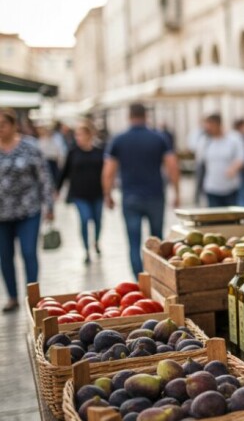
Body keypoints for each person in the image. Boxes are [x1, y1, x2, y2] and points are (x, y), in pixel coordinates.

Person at [103, 103, 180, 277]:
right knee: (157, 240)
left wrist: (107, 194)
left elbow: (108, 171)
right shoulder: (159, 138)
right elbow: (172, 166)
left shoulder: (119, 139)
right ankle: (158, 276)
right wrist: (177, 192)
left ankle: (140, 279)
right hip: (155, 195)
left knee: (133, 241)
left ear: (129, 116)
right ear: (146, 116)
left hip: (130, 197)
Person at [0, 108, 54, 312]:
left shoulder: (29, 147)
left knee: (29, 252)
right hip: (1, 214)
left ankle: (33, 296)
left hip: (28, 210)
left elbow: (44, 177)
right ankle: (12, 297)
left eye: (3, 125)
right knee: (4, 256)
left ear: (14, 125)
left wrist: (49, 205)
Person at [57, 121, 105, 263]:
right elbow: (64, 172)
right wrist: (57, 189)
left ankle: (96, 241)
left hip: (97, 192)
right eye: (77, 135)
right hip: (79, 194)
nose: (78, 138)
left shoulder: (99, 151)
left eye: (81, 135)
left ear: (89, 135)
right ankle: (86, 250)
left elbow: (106, 170)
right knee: (84, 219)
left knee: (97, 221)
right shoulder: (73, 152)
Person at [197, 113, 244, 207]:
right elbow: (201, 161)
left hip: (231, 186)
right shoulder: (204, 141)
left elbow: (242, 156)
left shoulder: (234, 139)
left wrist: (234, 168)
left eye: (211, 126)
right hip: (212, 187)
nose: (208, 129)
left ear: (218, 125)